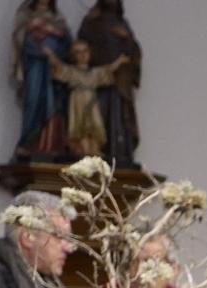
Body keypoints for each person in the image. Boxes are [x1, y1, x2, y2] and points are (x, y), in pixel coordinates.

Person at [76, 0, 141, 165]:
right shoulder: (91, 21)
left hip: (120, 80)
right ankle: (98, 151)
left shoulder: (121, 22)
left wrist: (126, 38)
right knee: (98, 114)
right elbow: (81, 47)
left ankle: (119, 151)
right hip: (99, 80)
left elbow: (134, 51)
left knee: (120, 117)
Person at [11, 0, 70, 159]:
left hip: (52, 67)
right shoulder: (26, 16)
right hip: (35, 66)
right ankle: (29, 142)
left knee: (54, 103)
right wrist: (35, 35)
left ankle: (53, 145)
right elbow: (19, 40)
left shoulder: (58, 18)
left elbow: (67, 43)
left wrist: (54, 45)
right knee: (34, 99)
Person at [48, 40, 127, 157]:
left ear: (90, 53)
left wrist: (119, 61)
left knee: (94, 124)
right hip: (78, 101)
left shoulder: (94, 72)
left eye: (85, 51)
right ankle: (82, 148)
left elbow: (108, 70)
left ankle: (94, 148)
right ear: (74, 56)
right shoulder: (72, 71)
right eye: (78, 52)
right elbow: (59, 66)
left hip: (91, 102)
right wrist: (50, 55)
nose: (83, 55)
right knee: (81, 126)